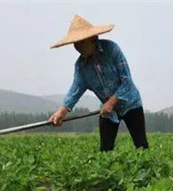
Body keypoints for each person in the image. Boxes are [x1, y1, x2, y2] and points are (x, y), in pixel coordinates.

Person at [48, 15, 148, 151]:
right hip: (107, 112)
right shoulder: (81, 66)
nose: (77, 47)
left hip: (131, 103)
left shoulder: (112, 49)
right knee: (105, 151)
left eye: (80, 42)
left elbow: (127, 82)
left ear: (92, 39)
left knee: (141, 146)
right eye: (74, 43)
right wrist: (61, 111)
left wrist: (112, 102)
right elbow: (75, 90)